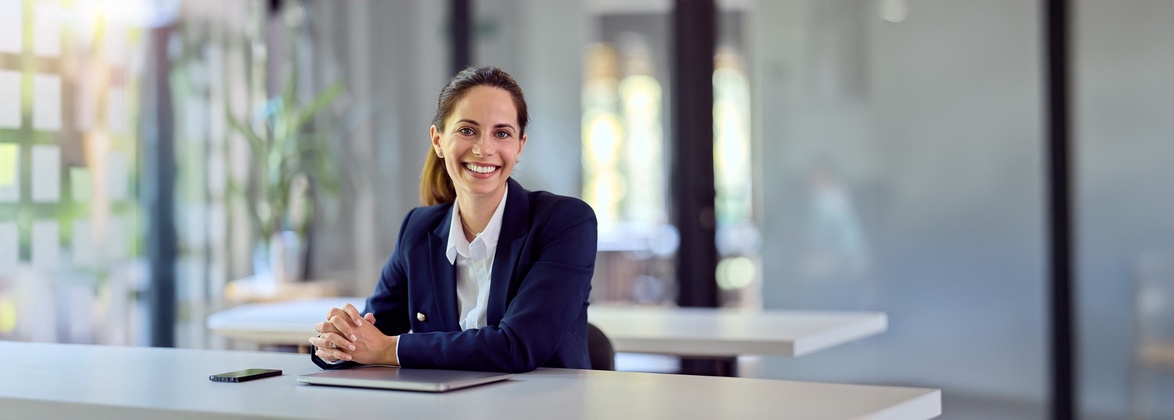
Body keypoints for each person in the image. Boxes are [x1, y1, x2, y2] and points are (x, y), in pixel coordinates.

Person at [308, 66, 598, 373]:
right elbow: (371, 330)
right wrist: (339, 344)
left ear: (519, 147)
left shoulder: (566, 224)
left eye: (501, 133)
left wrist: (390, 349)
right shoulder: (418, 230)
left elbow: (518, 347)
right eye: (467, 130)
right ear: (438, 140)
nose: (484, 148)